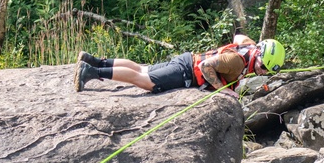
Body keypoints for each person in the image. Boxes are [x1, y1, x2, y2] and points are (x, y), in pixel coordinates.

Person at [74, 36, 285, 98]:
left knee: (142, 69)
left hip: (185, 61)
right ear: (260, 54)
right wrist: (223, 90)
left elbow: (239, 36)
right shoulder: (238, 61)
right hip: (187, 71)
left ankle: (93, 60)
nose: (263, 72)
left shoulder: (249, 46)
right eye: (263, 66)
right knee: (145, 80)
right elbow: (206, 67)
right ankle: (91, 71)